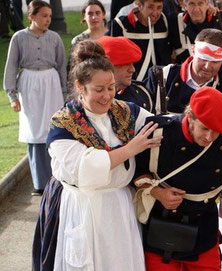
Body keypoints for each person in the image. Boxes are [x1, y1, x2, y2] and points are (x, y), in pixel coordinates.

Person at [32, 39, 162, 271]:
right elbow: (86, 169)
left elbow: (161, 126)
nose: (107, 96)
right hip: (83, 209)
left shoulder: (124, 111)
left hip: (120, 207)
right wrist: (131, 148)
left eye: (111, 87)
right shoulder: (63, 124)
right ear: (80, 87)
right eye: (99, 90)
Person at [133, 86, 222, 270]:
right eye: (205, 128)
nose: (209, 137)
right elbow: (134, 172)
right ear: (190, 117)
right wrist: (158, 193)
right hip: (159, 229)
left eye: (216, 131)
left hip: (203, 230)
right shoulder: (158, 132)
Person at [3, 0, 66, 196]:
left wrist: (64, 93)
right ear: (32, 17)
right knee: (34, 132)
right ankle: (39, 183)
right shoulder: (19, 38)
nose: (48, 19)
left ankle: (58, 178)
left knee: (54, 128)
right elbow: (11, 66)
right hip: (29, 84)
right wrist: (12, 95)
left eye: (49, 16)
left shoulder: (55, 38)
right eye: (44, 16)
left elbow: (62, 66)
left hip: (51, 83)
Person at [144, 29, 222, 117]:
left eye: (215, 61)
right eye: (203, 59)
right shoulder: (163, 77)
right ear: (193, 50)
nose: (207, 66)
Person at [110, 0, 173, 81]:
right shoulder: (120, 25)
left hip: (160, 87)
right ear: (139, 5)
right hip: (132, 86)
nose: (155, 13)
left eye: (159, 7)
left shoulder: (165, 22)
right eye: (150, 7)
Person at [172, 0, 222, 66]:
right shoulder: (175, 23)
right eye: (192, 4)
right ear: (185, 5)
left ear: (207, 4)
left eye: (200, 3)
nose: (196, 9)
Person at [97, 36, 158, 113]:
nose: (132, 70)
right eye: (125, 64)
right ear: (106, 67)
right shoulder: (92, 99)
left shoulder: (142, 94)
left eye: (132, 64)